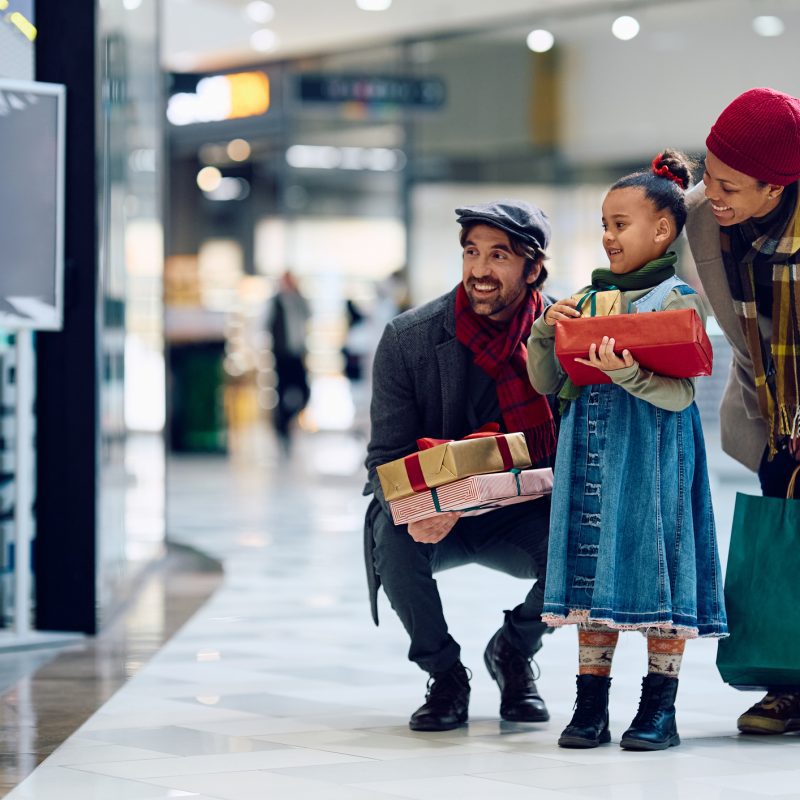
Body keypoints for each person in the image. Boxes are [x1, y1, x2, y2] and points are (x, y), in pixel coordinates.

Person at [527, 151, 728, 751]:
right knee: (594, 572)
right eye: (605, 224)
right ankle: (590, 708)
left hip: (655, 462)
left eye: (621, 223)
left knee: (656, 567)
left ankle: (658, 709)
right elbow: (546, 380)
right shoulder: (585, 300)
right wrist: (546, 330)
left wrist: (628, 374)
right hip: (590, 459)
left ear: (663, 229)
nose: (609, 236)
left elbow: (681, 393)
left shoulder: (677, 301)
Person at [364, 201, 557, 731]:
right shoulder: (409, 339)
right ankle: (445, 674)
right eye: (471, 252)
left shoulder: (561, 333)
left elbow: (582, 450)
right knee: (391, 533)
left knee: (581, 544)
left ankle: (513, 652)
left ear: (533, 268)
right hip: (432, 512)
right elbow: (384, 459)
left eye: (499, 255)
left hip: (524, 510)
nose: (479, 270)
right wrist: (431, 504)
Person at [684, 87, 800, 735]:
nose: (713, 192)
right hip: (771, 410)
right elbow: (657, 206)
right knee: (781, 550)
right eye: (708, 172)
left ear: (775, 188)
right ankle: (783, 685)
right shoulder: (710, 216)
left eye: (728, 183)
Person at [266, 271, 311, 452]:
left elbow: (308, 315)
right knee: (282, 390)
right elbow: (266, 325)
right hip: (282, 354)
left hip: (298, 353)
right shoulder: (275, 302)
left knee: (305, 390)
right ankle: (282, 428)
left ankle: (291, 418)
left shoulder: (299, 300)